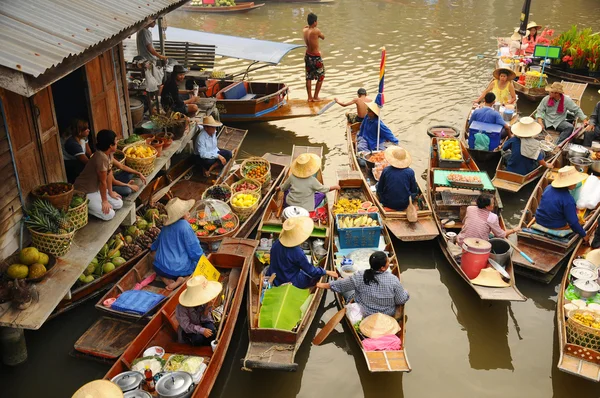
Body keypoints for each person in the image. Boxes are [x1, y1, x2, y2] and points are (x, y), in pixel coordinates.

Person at [316, 251, 409, 317]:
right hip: (386, 315)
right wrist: (406, 293)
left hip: (364, 314)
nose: (389, 261)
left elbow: (339, 285)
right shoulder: (394, 280)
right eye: (388, 261)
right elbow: (400, 300)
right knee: (403, 293)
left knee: (345, 286)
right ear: (383, 268)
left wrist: (320, 285)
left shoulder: (361, 276)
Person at [267, 216, 337, 289]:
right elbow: (311, 271)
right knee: (313, 278)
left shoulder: (277, 243)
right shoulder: (297, 252)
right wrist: (326, 272)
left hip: (275, 276)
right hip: (289, 281)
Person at [151, 198, 204, 290]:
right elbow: (194, 250)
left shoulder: (165, 226)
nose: (188, 213)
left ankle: (165, 279)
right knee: (195, 263)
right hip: (178, 269)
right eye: (186, 211)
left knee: (159, 263)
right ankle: (182, 280)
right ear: (181, 215)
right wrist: (204, 260)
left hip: (159, 267)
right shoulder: (185, 226)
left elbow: (156, 244)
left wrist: (151, 248)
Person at [74, 130, 123, 221]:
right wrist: (104, 201)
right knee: (109, 214)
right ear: (110, 146)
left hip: (96, 189)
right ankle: (87, 207)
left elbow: (109, 174)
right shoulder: (100, 158)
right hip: (86, 191)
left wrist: (111, 192)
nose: (117, 143)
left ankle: (98, 204)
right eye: (116, 141)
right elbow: (102, 182)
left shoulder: (108, 155)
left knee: (119, 203)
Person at [535, 166, 587, 238]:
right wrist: (584, 235)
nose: (576, 183)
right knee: (579, 222)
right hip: (554, 225)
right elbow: (573, 223)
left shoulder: (548, 187)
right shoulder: (568, 200)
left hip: (539, 219)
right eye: (574, 182)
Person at [176, 275, 222, 346]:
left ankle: (209, 345)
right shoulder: (181, 308)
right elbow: (187, 326)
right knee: (198, 338)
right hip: (189, 330)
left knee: (212, 330)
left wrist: (206, 310)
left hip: (201, 322)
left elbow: (205, 319)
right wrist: (202, 330)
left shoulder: (205, 299)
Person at [376, 146, 417, 211]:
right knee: (415, 190)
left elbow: (380, 189)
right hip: (405, 203)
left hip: (387, 202)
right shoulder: (410, 172)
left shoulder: (386, 170)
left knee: (377, 185)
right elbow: (414, 190)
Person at [136, 19, 167, 94]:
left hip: (146, 59)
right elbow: (149, 48)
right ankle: (154, 95)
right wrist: (160, 56)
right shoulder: (144, 31)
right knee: (153, 82)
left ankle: (153, 95)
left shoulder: (142, 31)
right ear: (148, 21)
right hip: (148, 60)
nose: (155, 23)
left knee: (151, 81)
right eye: (153, 21)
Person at [303, 13, 325, 102]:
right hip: (315, 57)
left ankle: (309, 97)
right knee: (321, 76)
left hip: (307, 56)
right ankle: (315, 97)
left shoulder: (304, 30)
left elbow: (305, 27)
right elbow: (323, 37)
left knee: (308, 77)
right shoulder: (316, 31)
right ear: (315, 22)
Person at [62, 119, 92, 183]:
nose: (88, 130)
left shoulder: (83, 136)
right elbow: (86, 161)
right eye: (86, 129)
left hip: (80, 158)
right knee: (81, 167)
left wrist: (93, 157)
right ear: (79, 131)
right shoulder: (73, 144)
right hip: (69, 162)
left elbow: (88, 151)